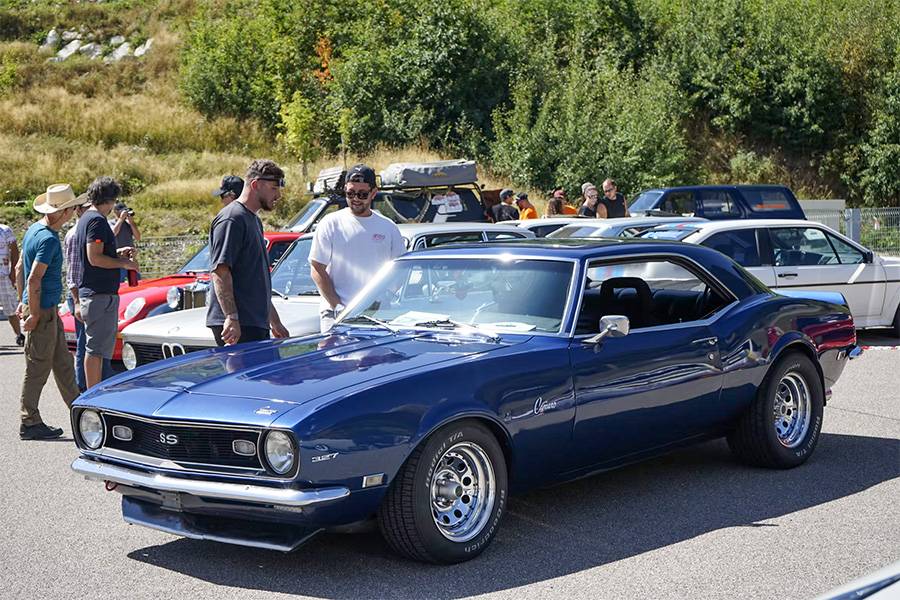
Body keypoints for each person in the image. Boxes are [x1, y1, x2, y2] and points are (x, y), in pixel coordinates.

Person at [15, 184, 82, 440]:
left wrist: (24, 302)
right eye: (71, 208)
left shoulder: (35, 230)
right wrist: (32, 312)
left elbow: (21, 268)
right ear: (62, 212)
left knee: (63, 365)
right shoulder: (49, 239)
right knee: (37, 368)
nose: (73, 212)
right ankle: (29, 421)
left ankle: (79, 414)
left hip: (44, 309)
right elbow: (33, 278)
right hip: (43, 310)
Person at [309, 163, 405, 332]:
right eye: (350, 193)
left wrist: (385, 297)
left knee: (377, 359)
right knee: (335, 358)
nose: (355, 199)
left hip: (377, 314)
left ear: (373, 193)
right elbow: (317, 268)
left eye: (362, 194)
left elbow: (400, 270)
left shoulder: (388, 227)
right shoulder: (330, 223)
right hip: (336, 314)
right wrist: (337, 305)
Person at [206, 159, 289, 346]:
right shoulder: (232, 219)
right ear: (256, 185)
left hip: (254, 323)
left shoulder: (253, 220)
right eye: (274, 188)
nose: (278, 195)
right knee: (242, 377)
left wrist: (274, 321)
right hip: (238, 325)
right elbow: (220, 271)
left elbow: (256, 280)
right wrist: (231, 317)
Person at [75, 177, 140, 388]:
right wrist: (125, 263)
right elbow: (94, 257)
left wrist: (117, 253)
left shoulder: (87, 218)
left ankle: (94, 390)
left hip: (96, 294)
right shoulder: (96, 220)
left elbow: (95, 254)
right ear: (110, 199)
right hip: (98, 295)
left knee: (97, 349)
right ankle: (93, 393)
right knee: (95, 350)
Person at [64, 197, 113, 392]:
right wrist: (76, 302)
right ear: (78, 211)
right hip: (81, 294)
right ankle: (84, 387)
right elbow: (73, 273)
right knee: (85, 344)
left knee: (93, 344)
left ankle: (93, 385)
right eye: (86, 208)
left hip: (87, 293)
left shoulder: (87, 231)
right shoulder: (75, 234)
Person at [0, 222, 23, 345]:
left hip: (4, 276)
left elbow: (14, 251)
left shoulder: (5, 230)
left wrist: (13, 273)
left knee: (11, 309)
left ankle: (19, 334)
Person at [110, 201, 141, 282]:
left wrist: (131, 222)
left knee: (136, 281)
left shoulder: (129, 224)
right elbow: (112, 234)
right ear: (115, 211)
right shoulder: (110, 223)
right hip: (118, 259)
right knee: (119, 283)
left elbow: (138, 237)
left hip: (131, 258)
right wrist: (121, 219)